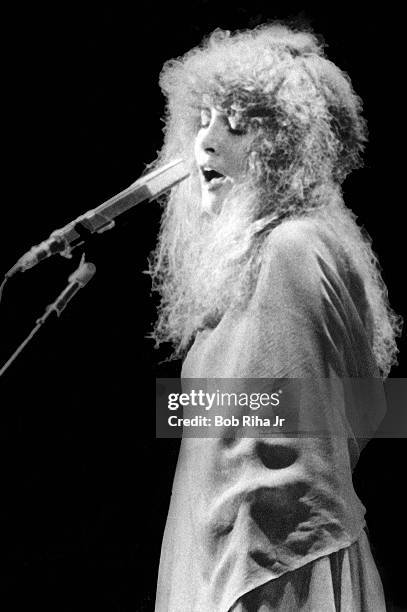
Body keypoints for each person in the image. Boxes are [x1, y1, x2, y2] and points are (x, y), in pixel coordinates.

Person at [149, 24, 402, 611]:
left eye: (237, 123)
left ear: (287, 144)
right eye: (203, 118)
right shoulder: (241, 273)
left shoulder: (295, 247)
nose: (206, 142)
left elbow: (354, 414)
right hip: (218, 550)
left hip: (277, 563)